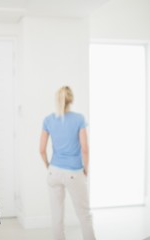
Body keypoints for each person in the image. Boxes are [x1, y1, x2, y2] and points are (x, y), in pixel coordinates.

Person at [39, 86, 96, 240]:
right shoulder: (79, 119)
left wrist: (49, 166)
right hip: (74, 172)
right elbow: (85, 149)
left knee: (57, 218)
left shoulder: (49, 119)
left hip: (54, 172)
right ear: (71, 100)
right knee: (84, 215)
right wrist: (86, 169)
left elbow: (42, 149)